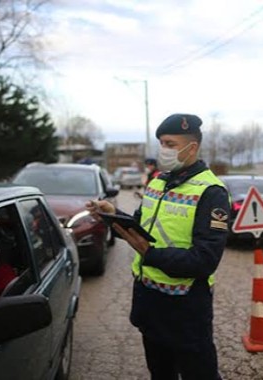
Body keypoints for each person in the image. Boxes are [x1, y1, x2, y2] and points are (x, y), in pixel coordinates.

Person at [86, 113, 230, 380]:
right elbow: (139, 230)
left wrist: (150, 254)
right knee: (160, 373)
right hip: (150, 301)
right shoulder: (158, 182)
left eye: (170, 144)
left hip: (186, 307)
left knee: (199, 374)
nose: (163, 150)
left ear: (192, 147)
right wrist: (110, 214)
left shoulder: (211, 192)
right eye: (161, 144)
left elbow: (204, 260)